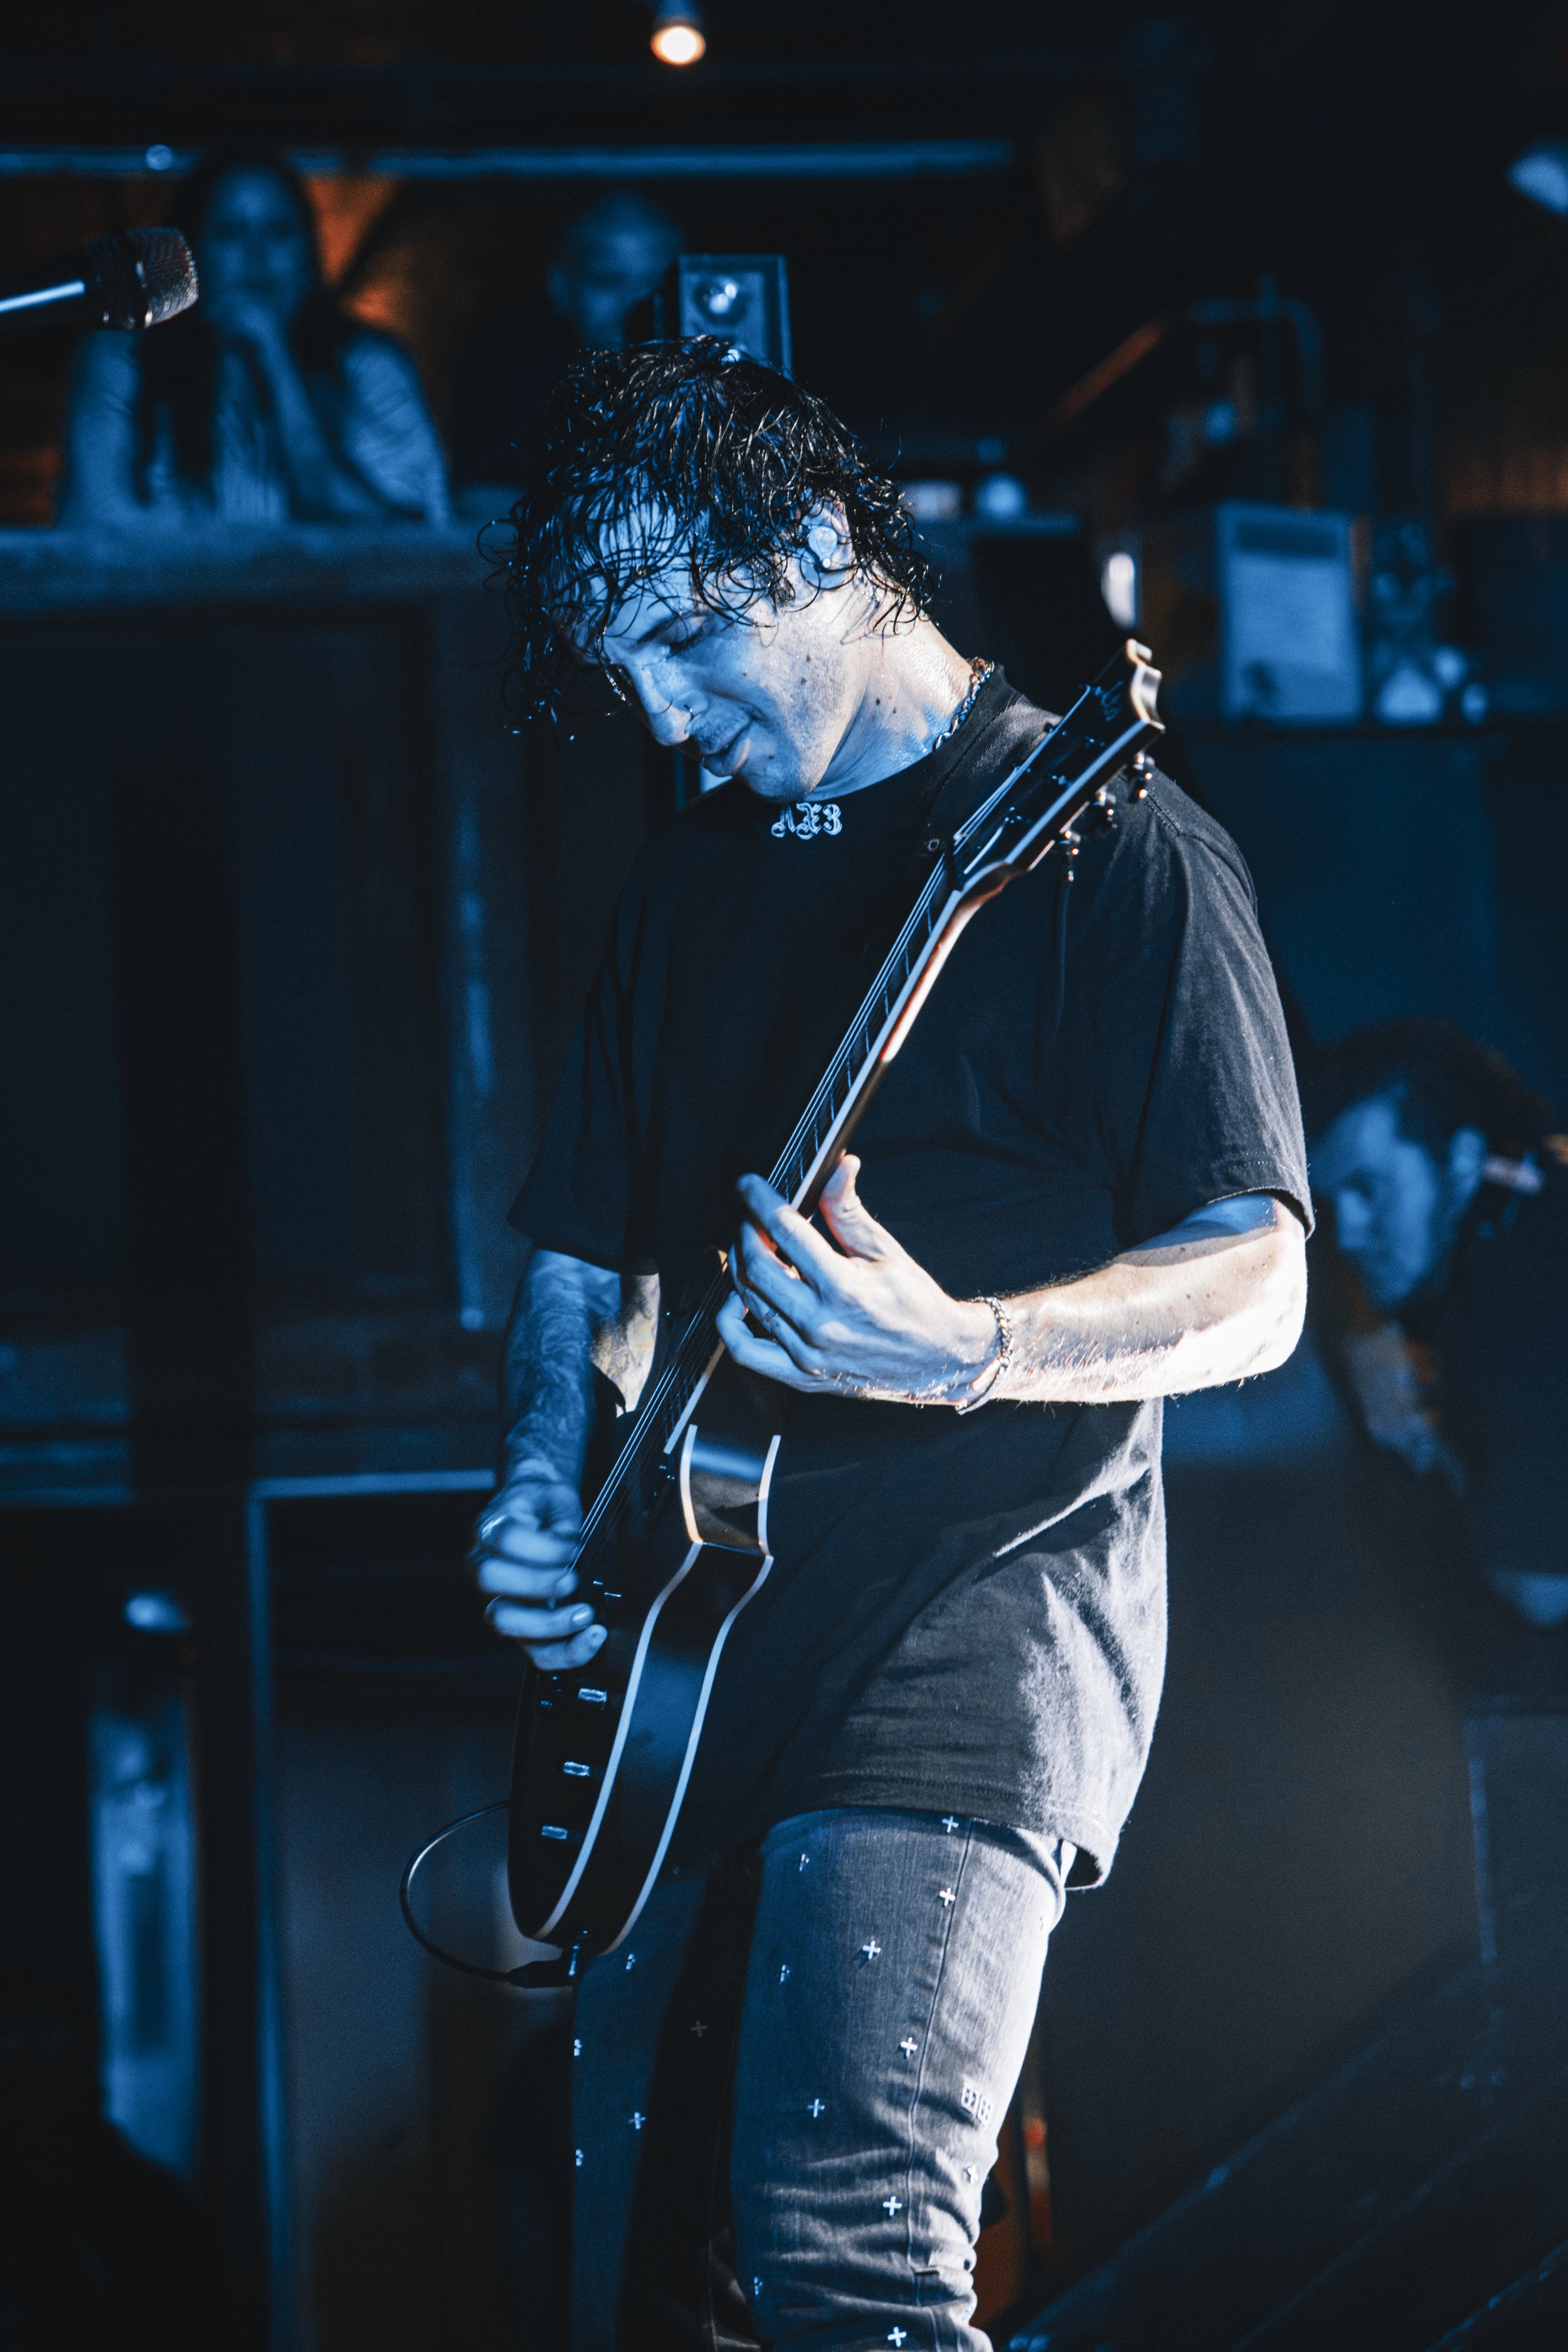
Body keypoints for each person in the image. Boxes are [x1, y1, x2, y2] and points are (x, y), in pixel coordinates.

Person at [471, 339, 1310, 2351]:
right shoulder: (684, 881)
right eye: (615, 671)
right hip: (689, 1667)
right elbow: (582, 1258)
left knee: (849, 2257)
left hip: (972, 1622)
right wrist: (540, 1473)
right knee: (646, 2296)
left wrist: (965, 1346)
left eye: (682, 642)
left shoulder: (1115, 847)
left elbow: (1257, 1277)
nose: (658, 716)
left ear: (818, 549)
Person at [1310, 1018, 1568, 1631]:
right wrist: (1364, 1332)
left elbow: (1541, 1591)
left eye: (1369, 1190)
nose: (1347, 1234)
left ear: (1462, 1160)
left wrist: (1432, 1454)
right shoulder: (1528, 1192)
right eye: (1330, 1204)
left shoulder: (1522, 1295)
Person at [58, 149, 450, 527]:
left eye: (278, 232)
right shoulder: (125, 360)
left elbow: (413, 538)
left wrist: (278, 363)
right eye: (230, 233)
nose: (255, 256)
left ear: (308, 251)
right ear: (192, 253)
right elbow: (96, 525)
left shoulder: (370, 365)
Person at [449, 191, 681, 506]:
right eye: (607, 280)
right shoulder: (511, 382)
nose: (636, 305)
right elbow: (486, 511)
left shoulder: (722, 380)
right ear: (561, 286)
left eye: (658, 284)